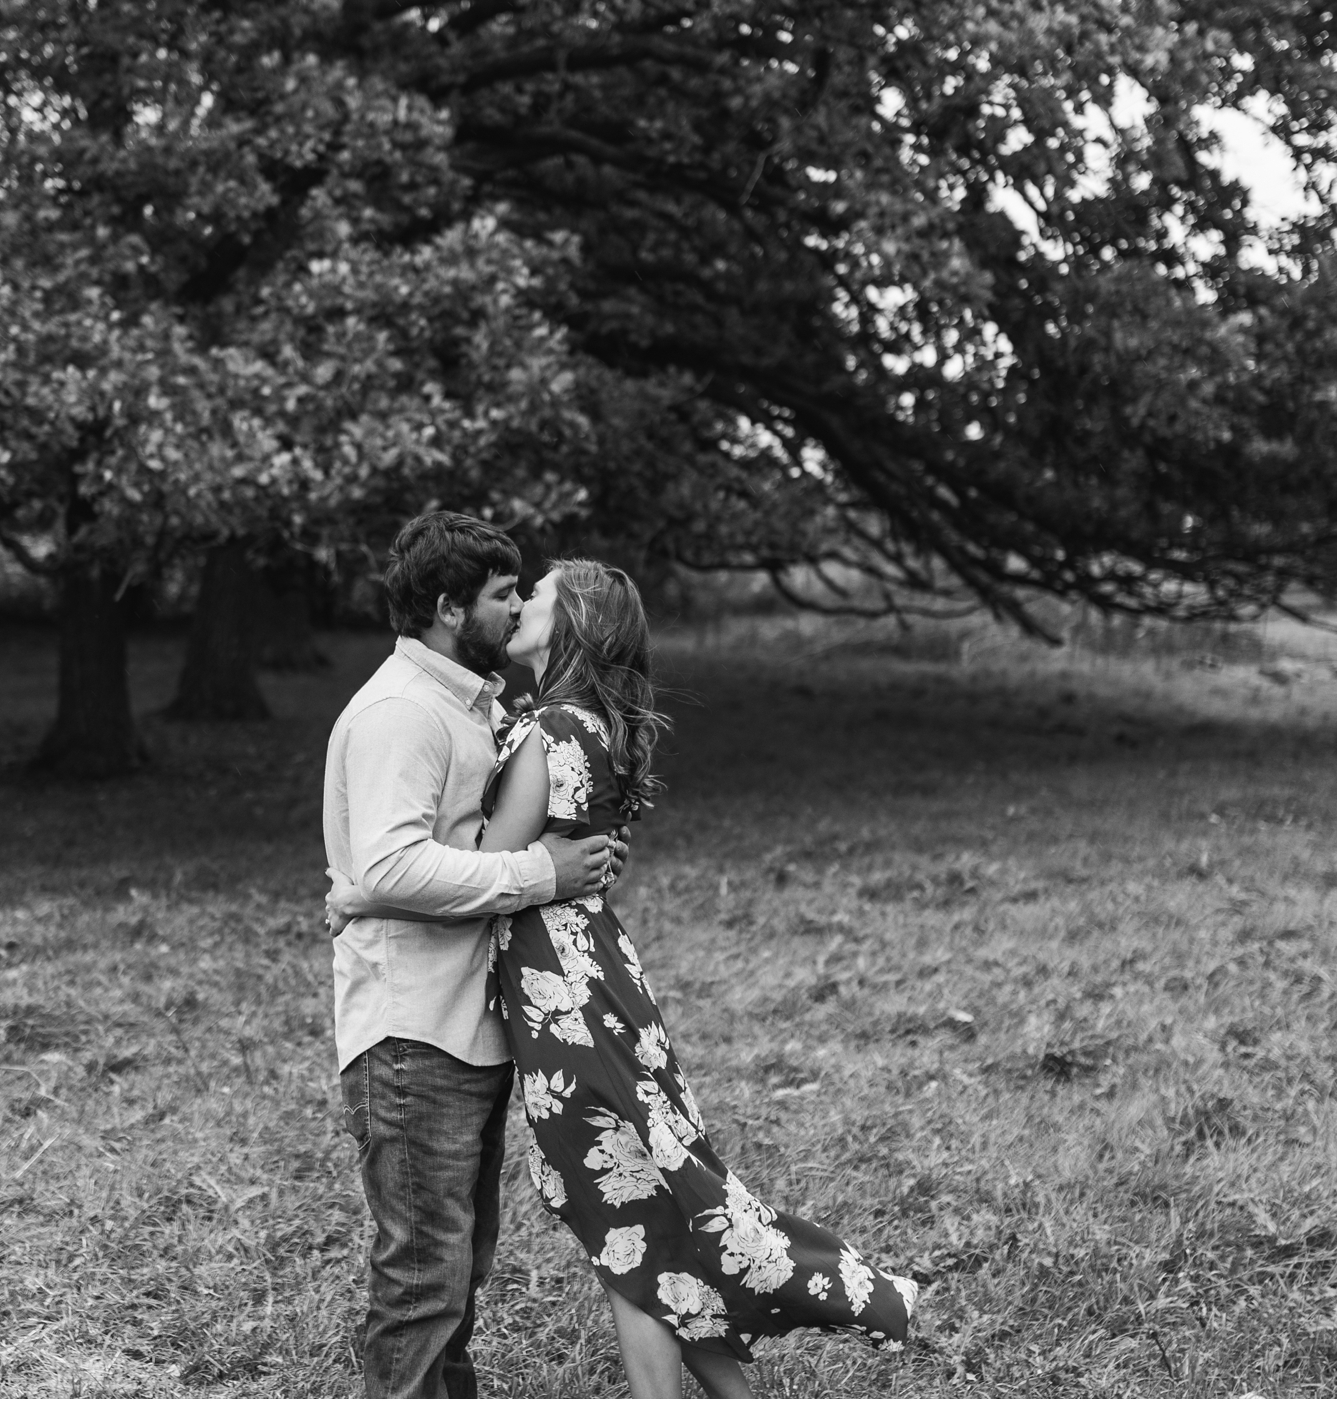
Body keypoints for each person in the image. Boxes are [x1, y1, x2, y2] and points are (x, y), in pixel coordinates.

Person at [331, 559, 918, 1399]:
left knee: (627, 1218)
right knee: (648, 1199)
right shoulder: (589, 720)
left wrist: (362, 885)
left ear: (571, 622)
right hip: (600, 974)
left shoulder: (548, 730)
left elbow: (493, 866)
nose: (522, 600)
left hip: (561, 995)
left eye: (536, 593)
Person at [322, 512, 624, 1398]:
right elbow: (389, 862)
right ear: (452, 609)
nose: (517, 605)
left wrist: (585, 848)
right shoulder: (399, 713)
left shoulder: (465, 704)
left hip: (466, 1022)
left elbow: (394, 863)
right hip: (412, 1033)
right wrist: (543, 870)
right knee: (423, 1276)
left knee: (458, 1270)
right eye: (502, 595)